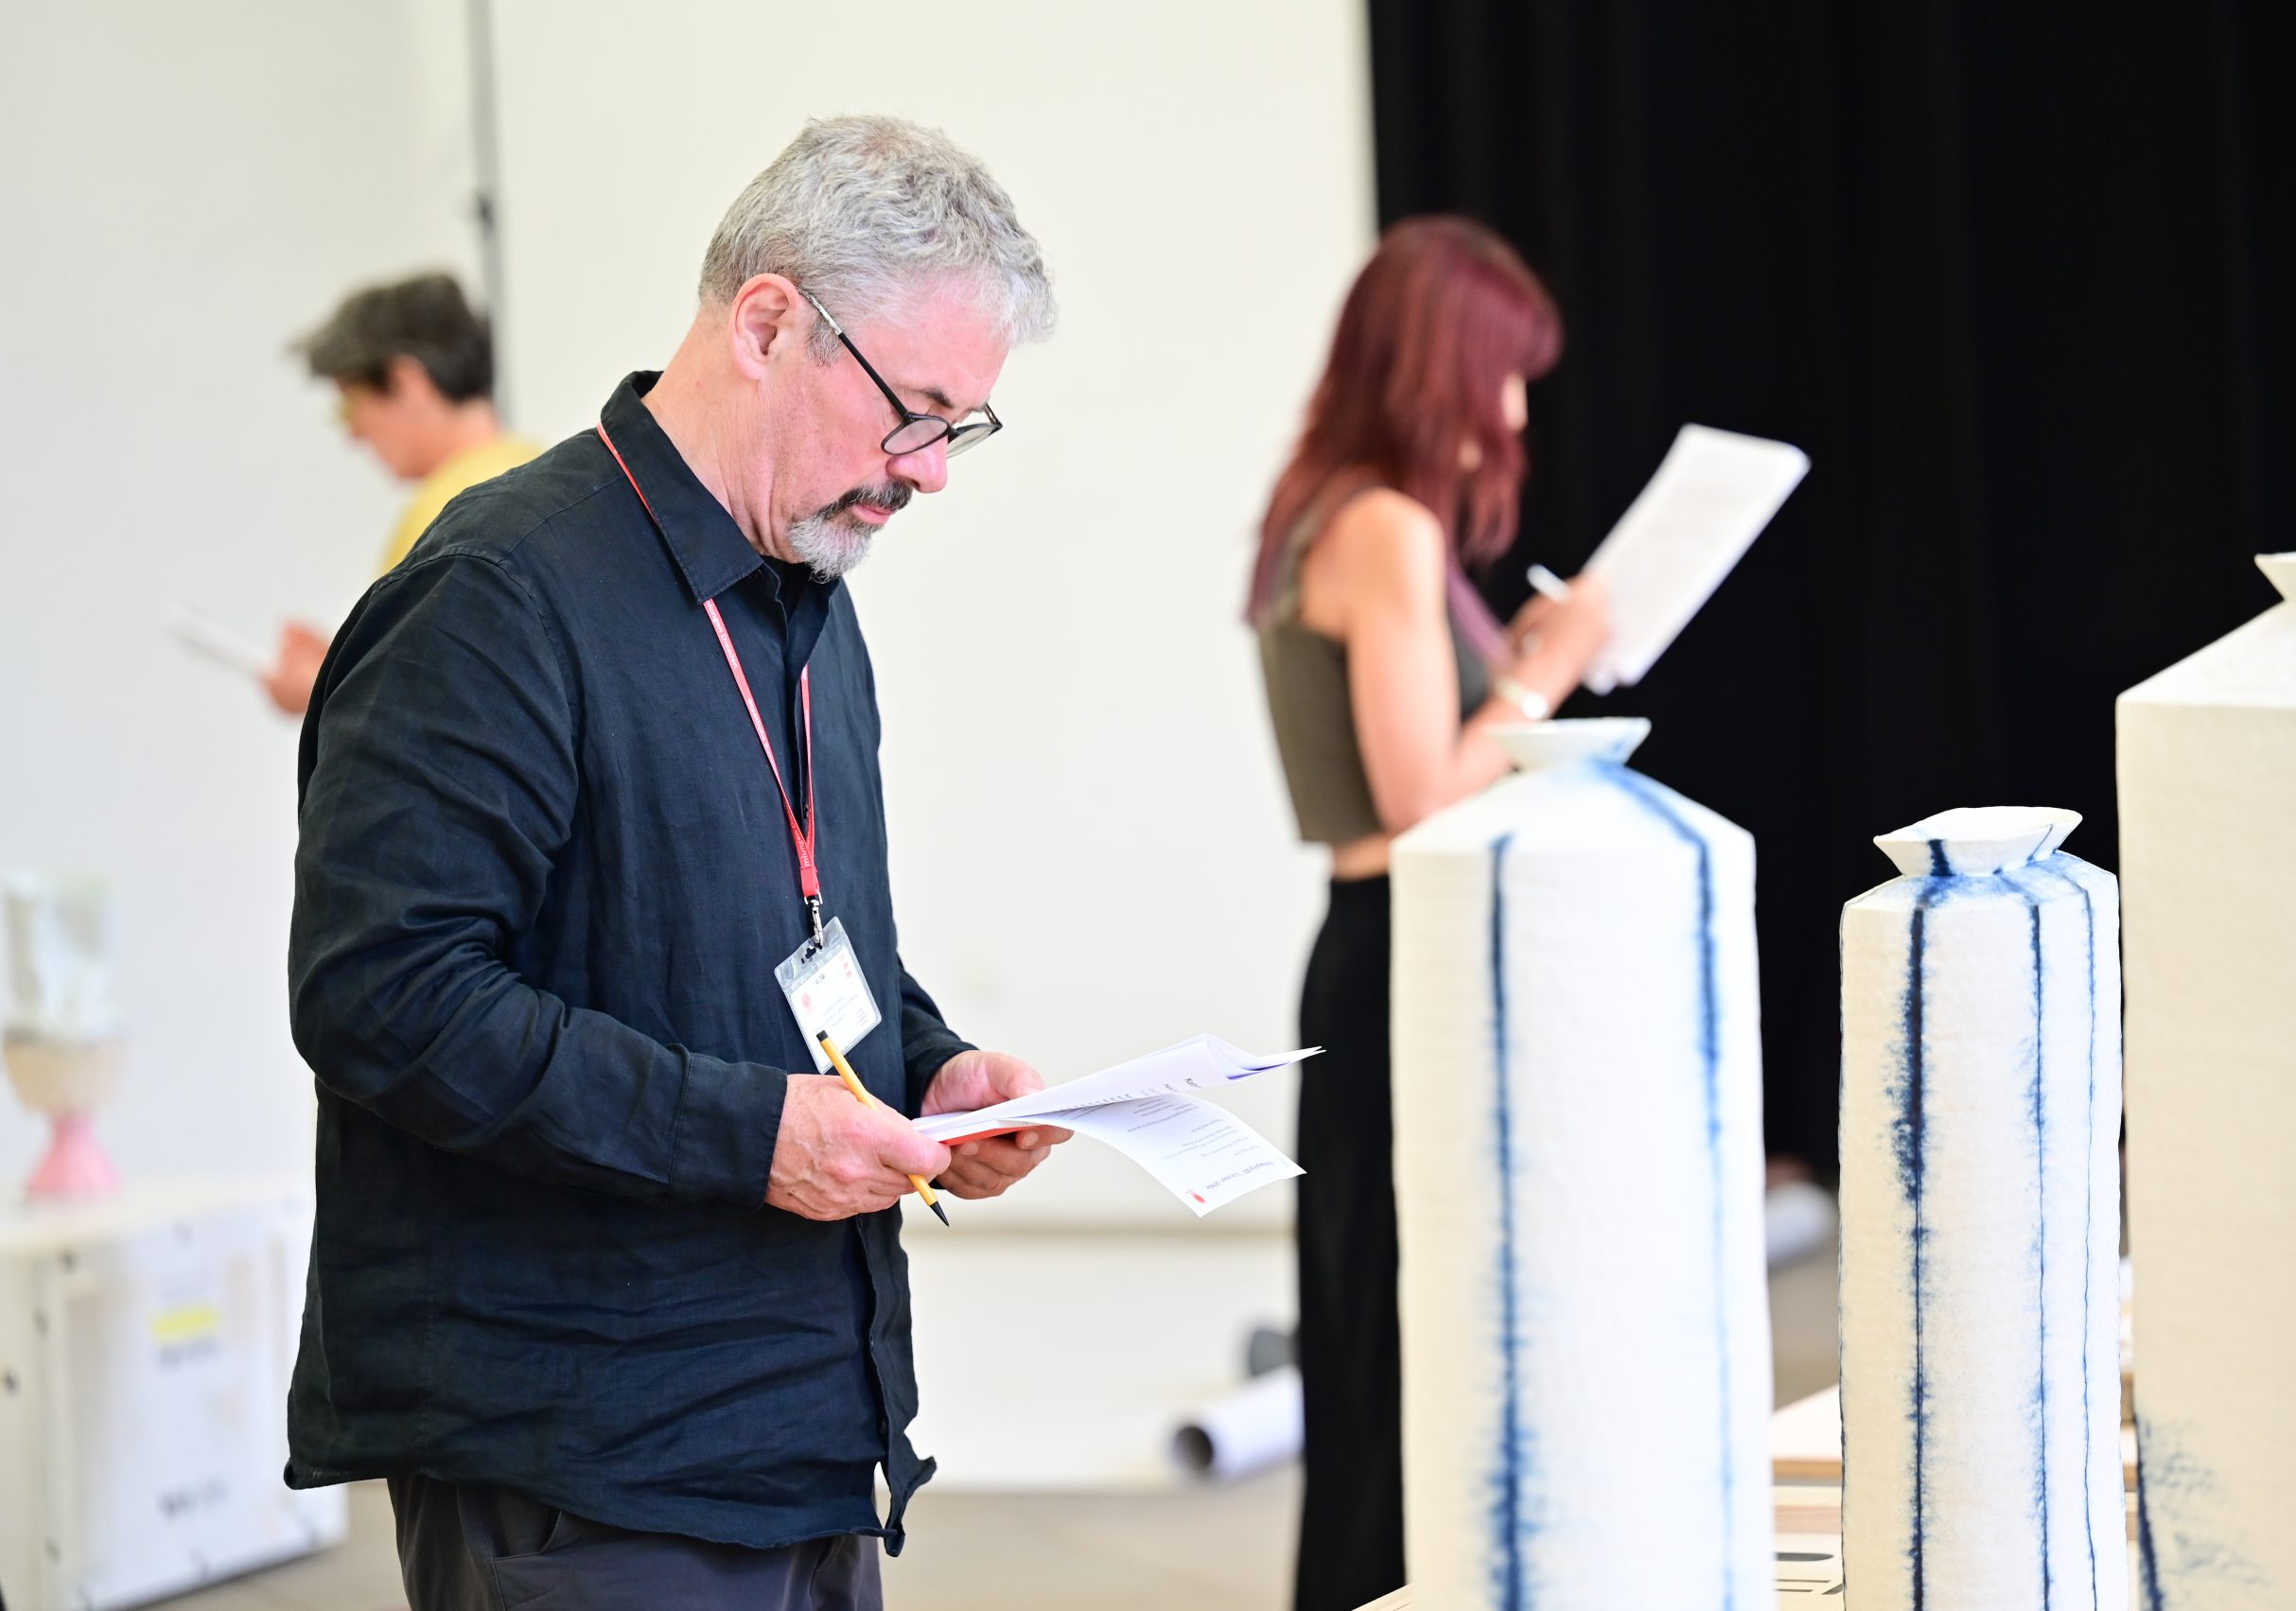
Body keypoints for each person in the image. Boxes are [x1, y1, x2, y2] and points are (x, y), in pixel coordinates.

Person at [286, 116, 1064, 1611]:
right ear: (769, 321)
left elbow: (781, 931)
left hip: (808, 1420)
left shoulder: (812, 594)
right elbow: (385, 992)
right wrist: (747, 1134)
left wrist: (930, 1063)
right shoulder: (496, 592)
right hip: (584, 1454)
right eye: (917, 413)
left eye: (961, 427)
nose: (931, 475)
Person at [1248, 217, 1612, 1611]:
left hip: (1374, 960)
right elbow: (1421, 792)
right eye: (1504, 375)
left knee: (1379, 1340)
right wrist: (1547, 673)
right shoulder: (1386, 525)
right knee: (1410, 1344)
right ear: (1441, 368)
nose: (1515, 413)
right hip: (1405, 951)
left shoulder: (1328, 506)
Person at [266, 271, 540, 713]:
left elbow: (415, 722)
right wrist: (349, 665)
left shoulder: (442, 518)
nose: (353, 433)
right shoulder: (553, 477)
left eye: (349, 404)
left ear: (405, 383)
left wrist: (324, 692)